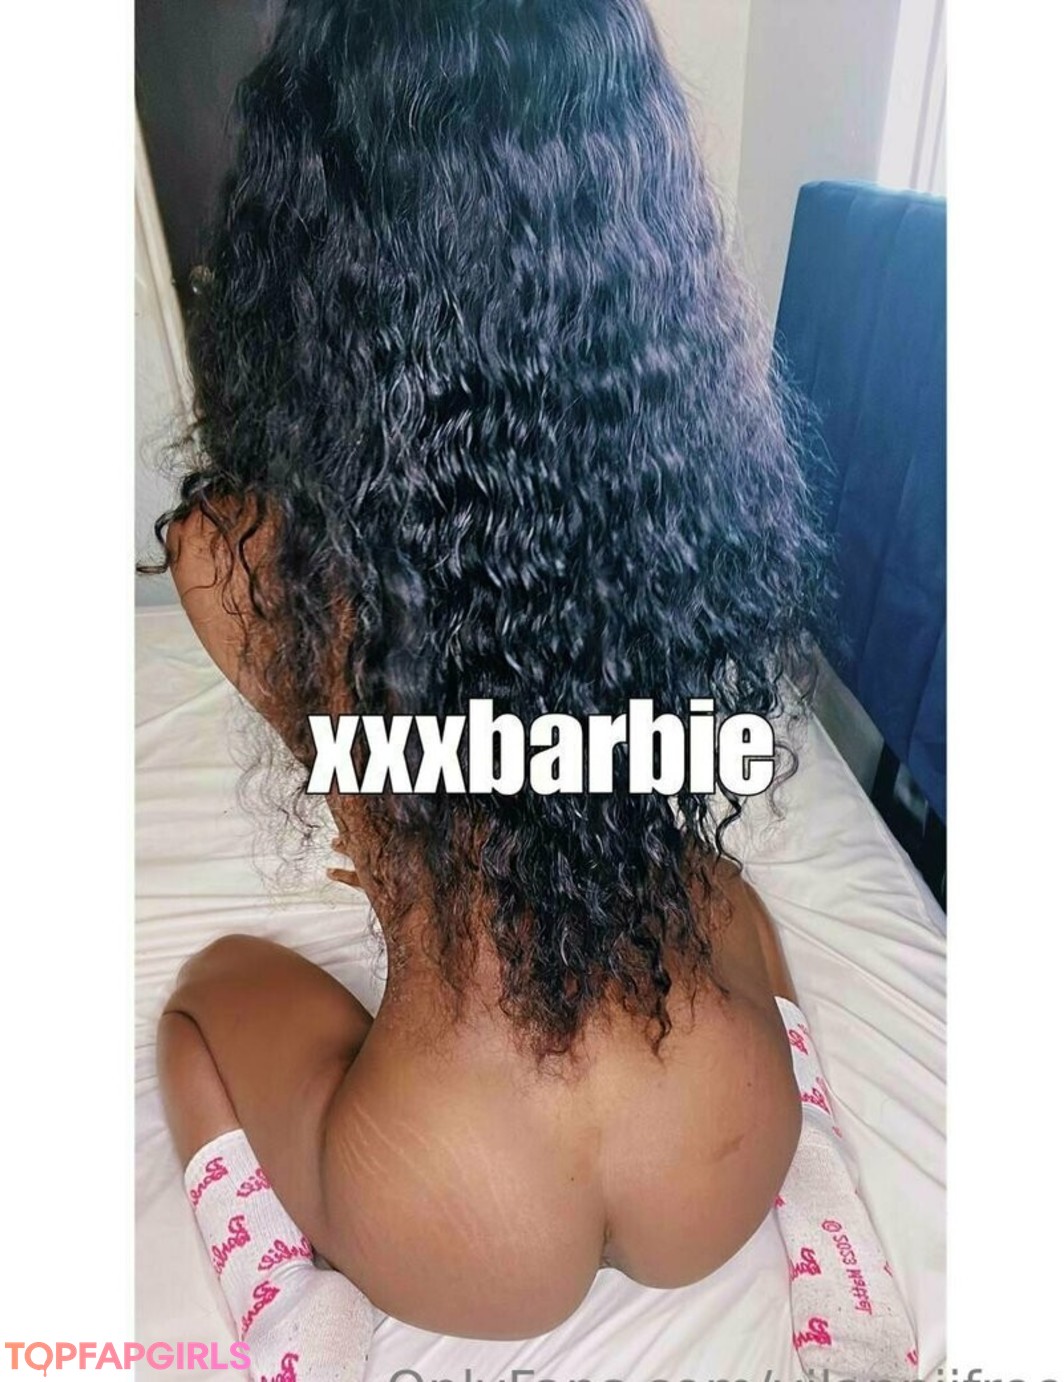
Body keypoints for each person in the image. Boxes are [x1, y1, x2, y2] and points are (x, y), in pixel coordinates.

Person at [146, 1, 909, 1377]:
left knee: (206, 1002)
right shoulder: (695, 489)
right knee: (719, 889)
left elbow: (374, 787)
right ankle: (827, 1201)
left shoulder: (234, 554)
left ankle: (297, 1322)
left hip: (455, 1208)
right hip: (722, 1141)